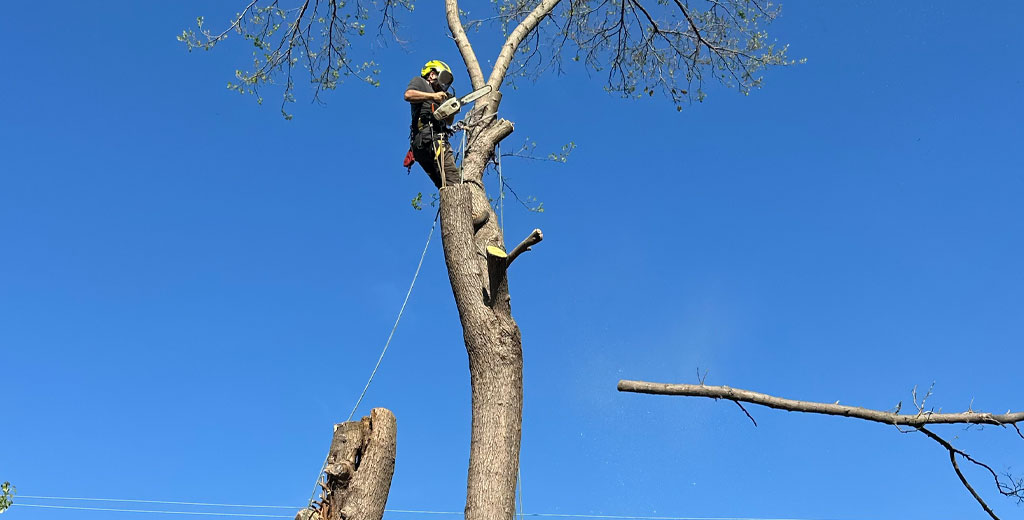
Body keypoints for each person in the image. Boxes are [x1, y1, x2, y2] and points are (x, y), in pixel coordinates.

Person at [404, 60, 461, 189]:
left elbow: (449, 121)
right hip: (431, 139)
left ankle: (450, 206)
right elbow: (408, 95)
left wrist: (450, 109)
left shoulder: (441, 97)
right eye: (443, 78)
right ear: (432, 74)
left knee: (443, 185)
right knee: (453, 181)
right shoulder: (421, 82)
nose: (444, 84)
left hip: (423, 146)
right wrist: (433, 96)